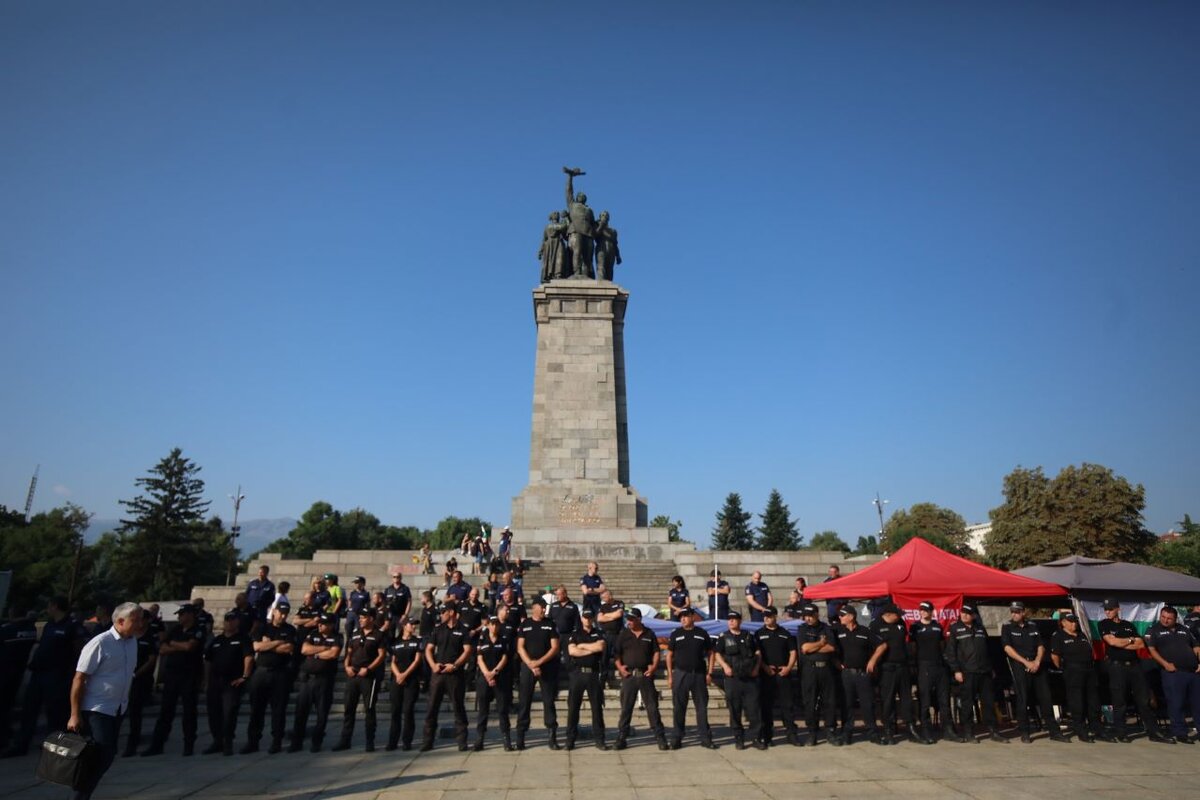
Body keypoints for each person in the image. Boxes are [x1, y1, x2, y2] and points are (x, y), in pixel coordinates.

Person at [65, 602, 140, 800]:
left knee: (105, 756)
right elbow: (79, 678)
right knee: (101, 755)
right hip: (97, 708)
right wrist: (74, 714)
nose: (140, 624)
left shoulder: (132, 642)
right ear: (121, 621)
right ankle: (79, 796)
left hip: (118, 707)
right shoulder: (100, 642)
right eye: (136, 620)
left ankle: (82, 793)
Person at [4, 597, 84, 757]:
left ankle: (54, 744)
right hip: (38, 673)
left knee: (54, 712)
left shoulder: (71, 626)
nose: (47, 609)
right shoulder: (49, 625)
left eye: (49, 606)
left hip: (56, 674)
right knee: (29, 710)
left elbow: (78, 651)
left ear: (55, 607)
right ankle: (21, 744)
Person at [1097, 598, 1169, 743]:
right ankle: (1121, 732)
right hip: (1117, 666)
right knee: (1120, 701)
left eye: (1110, 609)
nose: (1108, 611)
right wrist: (1130, 640)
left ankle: (1153, 732)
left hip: (1135, 665)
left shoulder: (1128, 625)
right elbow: (1112, 642)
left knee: (1144, 700)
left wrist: (1123, 642)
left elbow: (1141, 644)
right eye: (1106, 609)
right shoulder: (1104, 624)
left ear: (1118, 609)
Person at [142, 604, 205, 757]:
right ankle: (157, 744)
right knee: (166, 711)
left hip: (189, 675)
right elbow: (162, 648)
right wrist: (178, 646)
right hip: (172, 674)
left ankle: (188, 744)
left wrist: (174, 645)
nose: (179, 617)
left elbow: (190, 647)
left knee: (189, 711)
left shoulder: (198, 629)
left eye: (182, 614)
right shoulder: (176, 629)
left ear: (190, 615)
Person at [1001, 601, 1068, 743]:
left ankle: (1054, 731)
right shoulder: (1007, 627)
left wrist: (1037, 661)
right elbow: (1007, 648)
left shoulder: (1032, 625)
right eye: (1012, 611)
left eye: (1017, 611)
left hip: (1037, 665)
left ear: (1023, 612)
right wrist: (1026, 662)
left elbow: (1040, 646)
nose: (1014, 614)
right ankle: (1025, 732)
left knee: (1046, 698)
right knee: (1022, 699)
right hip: (1020, 665)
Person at [1050, 612, 1115, 742]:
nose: (1074, 623)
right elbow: (1055, 656)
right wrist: (1063, 669)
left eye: (1075, 621)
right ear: (1063, 622)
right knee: (1077, 702)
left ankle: (1097, 729)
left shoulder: (1081, 634)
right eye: (1071, 621)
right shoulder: (1058, 636)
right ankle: (1081, 730)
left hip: (1089, 670)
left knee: (1094, 701)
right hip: (1073, 671)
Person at [945, 605, 1005, 743]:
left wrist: (991, 668)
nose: (965, 615)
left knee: (988, 703)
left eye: (968, 613)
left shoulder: (980, 628)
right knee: (967, 704)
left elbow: (989, 650)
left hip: (984, 671)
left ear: (974, 615)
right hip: (967, 672)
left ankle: (993, 731)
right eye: (963, 613)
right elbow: (950, 652)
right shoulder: (955, 629)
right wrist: (956, 670)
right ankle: (968, 732)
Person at [242, 601, 295, 754]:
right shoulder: (262, 627)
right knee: (256, 709)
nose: (283, 615)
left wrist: (270, 644)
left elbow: (288, 648)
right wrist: (278, 642)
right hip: (261, 672)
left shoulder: (289, 629)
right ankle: (253, 741)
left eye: (286, 613)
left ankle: (276, 741)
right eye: (281, 612)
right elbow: (257, 647)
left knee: (278, 710)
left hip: (280, 672)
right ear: (274, 611)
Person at [421, 603, 473, 752]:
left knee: (458, 707)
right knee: (432, 707)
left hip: (454, 674)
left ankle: (462, 741)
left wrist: (455, 665)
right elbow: (429, 649)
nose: (441, 614)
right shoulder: (438, 629)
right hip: (438, 673)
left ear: (451, 612)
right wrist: (433, 665)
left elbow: (467, 651)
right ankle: (427, 741)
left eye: (443, 612)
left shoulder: (462, 630)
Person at [1144, 605, 1200, 744]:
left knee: (1197, 704)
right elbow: (1152, 650)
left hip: (1193, 672)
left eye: (1169, 618)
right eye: (1163, 617)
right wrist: (1165, 664)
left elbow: (1196, 646)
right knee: (1176, 704)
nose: (1166, 620)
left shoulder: (1184, 629)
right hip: (1173, 673)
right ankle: (1180, 733)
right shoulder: (1154, 630)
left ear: (1175, 619)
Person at [614, 608, 668, 750]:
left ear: (639, 619)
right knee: (626, 708)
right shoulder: (624, 634)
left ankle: (660, 737)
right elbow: (616, 654)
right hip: (629, 676)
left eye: (632, 619)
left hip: (645, 675)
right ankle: (622, 737)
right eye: (628, 619)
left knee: (652, 708)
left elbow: (656, 652)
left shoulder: (649, 633)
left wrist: (654, 667)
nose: (629, 622)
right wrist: (620, 668)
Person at [288, 613, 342, 753]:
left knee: (322, 713)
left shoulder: (336, 637)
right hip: (308, 679)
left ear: (330, 625)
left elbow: (333, 654)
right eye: (319, 623)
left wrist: (315, 653)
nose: (320, 625)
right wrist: (324, 648)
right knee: (301, 712)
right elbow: (304, 649)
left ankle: (316, 742)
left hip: (324, 680)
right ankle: (296, 742)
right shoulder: (313, 634)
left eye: (323, 624)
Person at [201, 611, 254, 756]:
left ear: (237, 622)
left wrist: (244, 676)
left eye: (232, 620)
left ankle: (227, 742)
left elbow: (248, 657)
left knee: (229, 713)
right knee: (214, 713)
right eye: (227, 620)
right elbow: (208, 661)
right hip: (215, 682)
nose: (229, 623)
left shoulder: (243, 638)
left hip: (232, 682)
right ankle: (217, 740)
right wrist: (206, 681)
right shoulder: (217, 640)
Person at [909, 601, 962, 743]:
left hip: (940, 667)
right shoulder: (915, 627)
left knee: (944, 700)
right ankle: (926, 729)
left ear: (932, 611)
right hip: (924, 667)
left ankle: (948, 730)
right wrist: (915, 668)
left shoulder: (937, 626)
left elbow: (943, 646)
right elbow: (912, 648)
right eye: (921, 610)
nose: (923, 612)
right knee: (925, 700)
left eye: (926, 610)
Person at [335, 608, 386, 752]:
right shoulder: (356, 633)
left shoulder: (379, 635)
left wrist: (369, 668)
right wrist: (346, 666)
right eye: (360, 617)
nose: (361, 619)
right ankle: (345, 740)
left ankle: (370, 741)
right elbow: (349, 652)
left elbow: (381, 655)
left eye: (364, 617)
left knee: (369, 709)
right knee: (349, 709)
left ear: (371, 618)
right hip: (353, 674)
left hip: (368, 676)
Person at [714, 610, 766, 750]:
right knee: (735, 709)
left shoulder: (749, 636)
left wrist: (756, 668)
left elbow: (757, 652)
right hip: (733, 678)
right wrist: (724, 666)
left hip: (750, 678)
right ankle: (739, 738)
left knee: (754, 708)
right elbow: (717, 653)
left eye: (734, 619)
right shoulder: (723, 637)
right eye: (729, 619)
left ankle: (756, 737)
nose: (731, 621)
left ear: (740, 621)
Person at [665, 607, 716, 749]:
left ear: (693, 617)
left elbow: (711, 653)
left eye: (686, 616)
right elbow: (669, 655)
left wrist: (709, 673)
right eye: (681, 616)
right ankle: (677, 737)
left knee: (701, 708)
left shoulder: (702, 633)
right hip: (681, 674)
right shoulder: (676, 634)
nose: (683, 619)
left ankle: (705, 738)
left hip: (698, 674)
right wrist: (670, 676)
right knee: (679, 708)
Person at [834, 606, 886, 745]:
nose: (840, 617)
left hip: (863, 674)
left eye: (843, 615)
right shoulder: (838, 632)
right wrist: (836, 662)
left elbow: (881, 645)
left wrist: (873, 660)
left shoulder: (864, 631)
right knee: (847, 704)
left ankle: (872, 733)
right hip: (846, 674)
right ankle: (847, 733)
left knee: (867, 704)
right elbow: (831, 648)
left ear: (851, 616)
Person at [870, 604, 920, 745]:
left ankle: (911, 729)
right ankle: (888, 730)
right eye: (897, 614)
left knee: (907, 699)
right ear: (887, 614)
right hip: (887, 668)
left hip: (902, 667)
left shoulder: (901, 623)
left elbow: (907, 643)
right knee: (888, 700)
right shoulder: (875, 626)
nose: (899, 616)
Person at [515, 597, 560, 750]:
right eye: (542, 607)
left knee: (549, 701)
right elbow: (520, 647)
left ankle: (552, 736)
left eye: (545, 607)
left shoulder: (549, 624)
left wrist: (539, 662)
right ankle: (520, 736)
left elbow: (554, 647)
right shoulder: (525, 624)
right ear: (535, 607)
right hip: (528, 667)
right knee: (524, 701)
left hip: (546, 667)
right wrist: (531, 664)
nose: (544, 610)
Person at [564, 609, 610, 750]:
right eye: (585, 618)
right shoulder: (575, 634)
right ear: (582, 618)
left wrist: (582, 646)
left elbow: (601, 646)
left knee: (596, 708)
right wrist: (592, 649)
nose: (588, 620)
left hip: (593, 674)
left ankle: (599, 739)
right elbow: (572, 651)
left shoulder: (599, 633)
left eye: (590, 618)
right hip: (578, 674)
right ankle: (570, 739)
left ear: (593, 618)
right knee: (573, 708)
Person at [755, 606, 799, 746]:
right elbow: (757, 654)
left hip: (783, 673)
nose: (766, 618)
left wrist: (789, 668)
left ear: (775, 617)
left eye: (769, 616)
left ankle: (791, 734)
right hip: (766, 674)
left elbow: (793, 652)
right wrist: (765, 667)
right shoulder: (759, 634)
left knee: (787, 705)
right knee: (766, 706)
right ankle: (767, 736)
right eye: (764, 616)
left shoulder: (785, 633)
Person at [796, 604, 839, 746]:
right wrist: (821, 643)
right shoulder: (802, 629)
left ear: (817, 614)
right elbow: (804, 648)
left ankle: (830, 731)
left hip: (826, 670)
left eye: (810, 615)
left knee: (830, 701)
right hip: (810, 671)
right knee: (810, 702)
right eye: (806, 616)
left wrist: (814, 646)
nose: (808, 618)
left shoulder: (826, 628)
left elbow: (831, 647)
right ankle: (812, 733)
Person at [120, 607, 158, 757]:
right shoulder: (128, 636)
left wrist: (135, 674)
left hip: (140, 679)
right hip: (122, 679)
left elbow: (152, 660)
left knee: (135, 713)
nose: (138, 622)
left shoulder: (150, 637)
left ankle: (133, 744)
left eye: (141, 619)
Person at [473, 615, 514, 751]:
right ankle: (480, 739)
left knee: (503, 710)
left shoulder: (503, 640)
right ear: (488, 625)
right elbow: (479, 659)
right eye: (492, 624)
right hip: (484, 678)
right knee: (483, 711)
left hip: (500, 678)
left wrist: (494, 672)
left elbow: (504, 658)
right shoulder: (481, 640)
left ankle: (506, 740)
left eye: (497, 624)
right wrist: (487, 674)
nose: (495, 626)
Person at [0, 608, 37, 754]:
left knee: (2, 707)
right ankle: (7, 732)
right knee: (7, 705)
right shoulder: (31, 629)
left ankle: (3, 738)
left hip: (4, 673)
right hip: (18, 673)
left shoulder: (7, 630)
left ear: (11, 614)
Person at [386, 616, 423, 751]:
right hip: (397, 679)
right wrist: (398, 675)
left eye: (415, 625)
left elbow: (417, 660)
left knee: (408, 711)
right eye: (411, 624)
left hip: (411, 679)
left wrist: (405, 674)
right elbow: (393, 661)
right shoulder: (396, 642)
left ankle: (407, 741)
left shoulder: (417, 641)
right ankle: (392, 741)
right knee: (395, 711)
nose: (413, 627)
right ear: (404, 626)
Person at [563, 168, 596, 277]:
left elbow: (593, 223)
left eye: (583, 196)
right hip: (576, 231)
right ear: (577, 198)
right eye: (579, 195)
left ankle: (585, 274)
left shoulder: (589, 210)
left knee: (587, 256)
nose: (581, 196)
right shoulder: (572, 205)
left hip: (588, 233)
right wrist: (570, 177)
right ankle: (576, 272)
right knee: (577, 252)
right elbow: (569, 191)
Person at [538, 210, 569, 281]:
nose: (556, 215)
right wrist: (540, 251)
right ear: (551, 217)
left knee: (559, 257)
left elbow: (564, 230)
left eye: (557, 214)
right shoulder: (548, 226)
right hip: (549, 245)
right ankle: (548, 276)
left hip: (559, 243)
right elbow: (544, 239)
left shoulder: (559, 225)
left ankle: (558, 274)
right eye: (555, 214)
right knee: (549, 260)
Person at [245, 565, 276, 631]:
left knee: (260, 627)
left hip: (261, 610)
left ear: (266, 573)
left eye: (262, 572)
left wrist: (264, 604)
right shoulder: (252, 583)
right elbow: (246, 594)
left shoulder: (270, 585)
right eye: (259, 572)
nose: (260, 574)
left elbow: (272, 598)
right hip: (250, 609)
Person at [593, 210, 621, 281]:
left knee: (610, 269)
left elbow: (615, 244)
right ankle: (601, 283)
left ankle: (608, 284)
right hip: (601, 247)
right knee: (601, 266)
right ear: (600, 217)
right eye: (603, 215)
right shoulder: (596, 225)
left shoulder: (613, 231)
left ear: (608, 218)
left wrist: (618, 256)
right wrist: (601, 225)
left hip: (611, 250)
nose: (604, 217)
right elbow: (595, 234)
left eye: (606, 215)